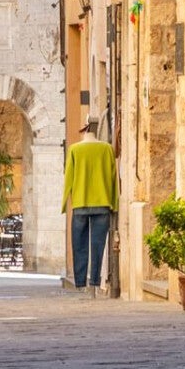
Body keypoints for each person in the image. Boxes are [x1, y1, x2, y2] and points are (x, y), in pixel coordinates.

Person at [63, 119, 117, 296]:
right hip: (102, 203)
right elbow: (113, 177)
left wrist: (65, 203)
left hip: (80, 203)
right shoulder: (106, 149)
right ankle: (94, 282)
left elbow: (68, 178)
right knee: (98, 245)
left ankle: (81, 284)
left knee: (79, 245)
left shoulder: (75, 150)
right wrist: (114, 202)